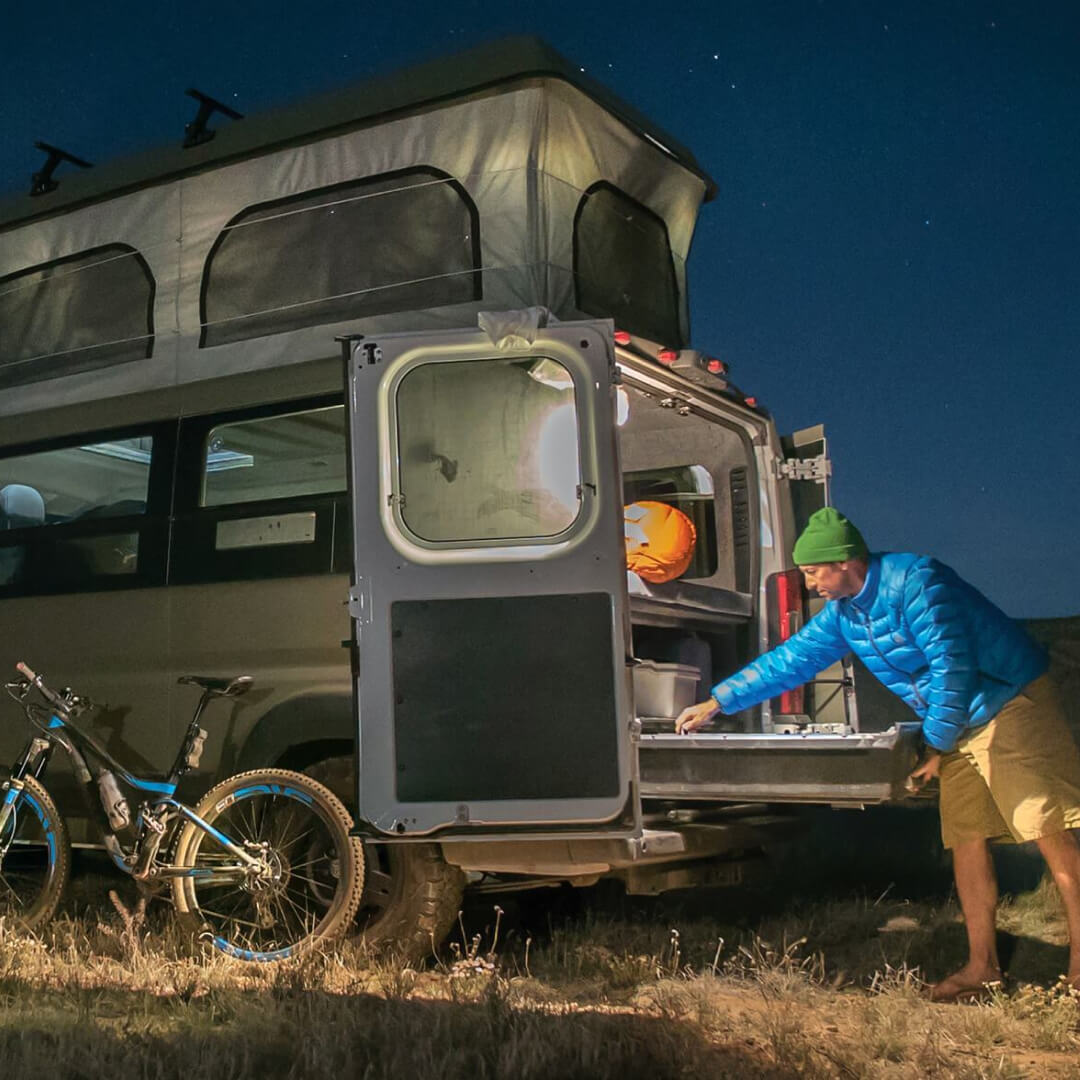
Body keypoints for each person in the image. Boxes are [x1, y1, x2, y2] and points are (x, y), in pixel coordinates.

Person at [675, 507, 1080, 1000]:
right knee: (967, 837)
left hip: (1010, 699)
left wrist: (933, 744)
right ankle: (983, 968)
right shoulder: (847, 615)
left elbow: (951, 667)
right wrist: (718, 699)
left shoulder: (918, 581)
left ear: (845, 562)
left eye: (812, 572)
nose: (808, 583)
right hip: (957, 722)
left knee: (1047, 831)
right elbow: (792, 659)